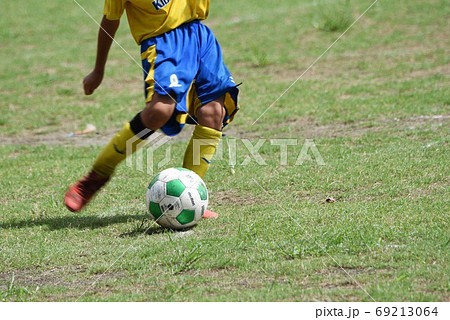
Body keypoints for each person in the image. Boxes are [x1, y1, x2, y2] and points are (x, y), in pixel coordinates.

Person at [64, 0, 239, 218]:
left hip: (199, 36)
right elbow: (110, 19)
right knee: (159, 112)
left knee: (213, 113)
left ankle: (191, 194)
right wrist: (98, 70)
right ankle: (95, 178)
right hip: (163, 42)